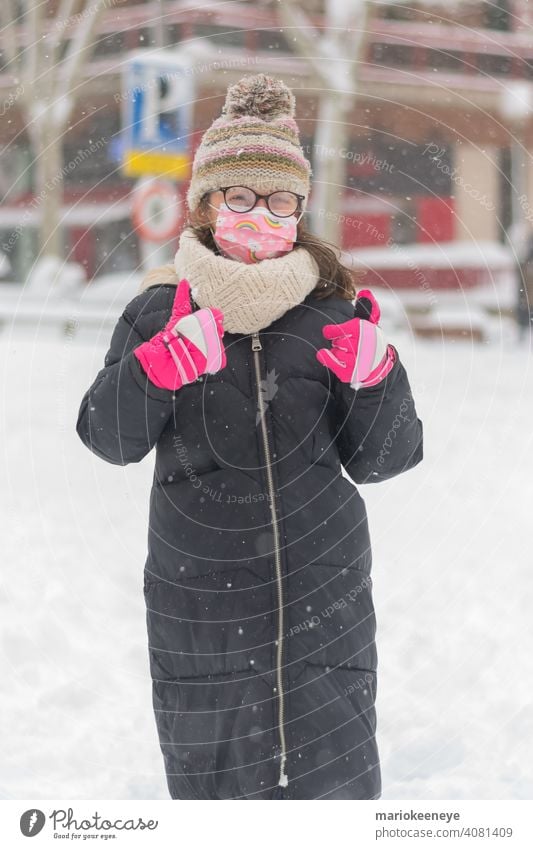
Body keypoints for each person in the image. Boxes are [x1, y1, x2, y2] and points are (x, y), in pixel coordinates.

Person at [76, 73, 423, 800]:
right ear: (205, 204)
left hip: (323, 606)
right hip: (201, 607)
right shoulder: (158, 311)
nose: (259, 214)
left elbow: (387, 459)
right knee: (219, 811)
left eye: (278, 200)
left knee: (332, 808)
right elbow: (108, 438)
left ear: (299, 208)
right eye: (239, 197)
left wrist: (378, 379)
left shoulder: (331, 314)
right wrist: (155, 370)